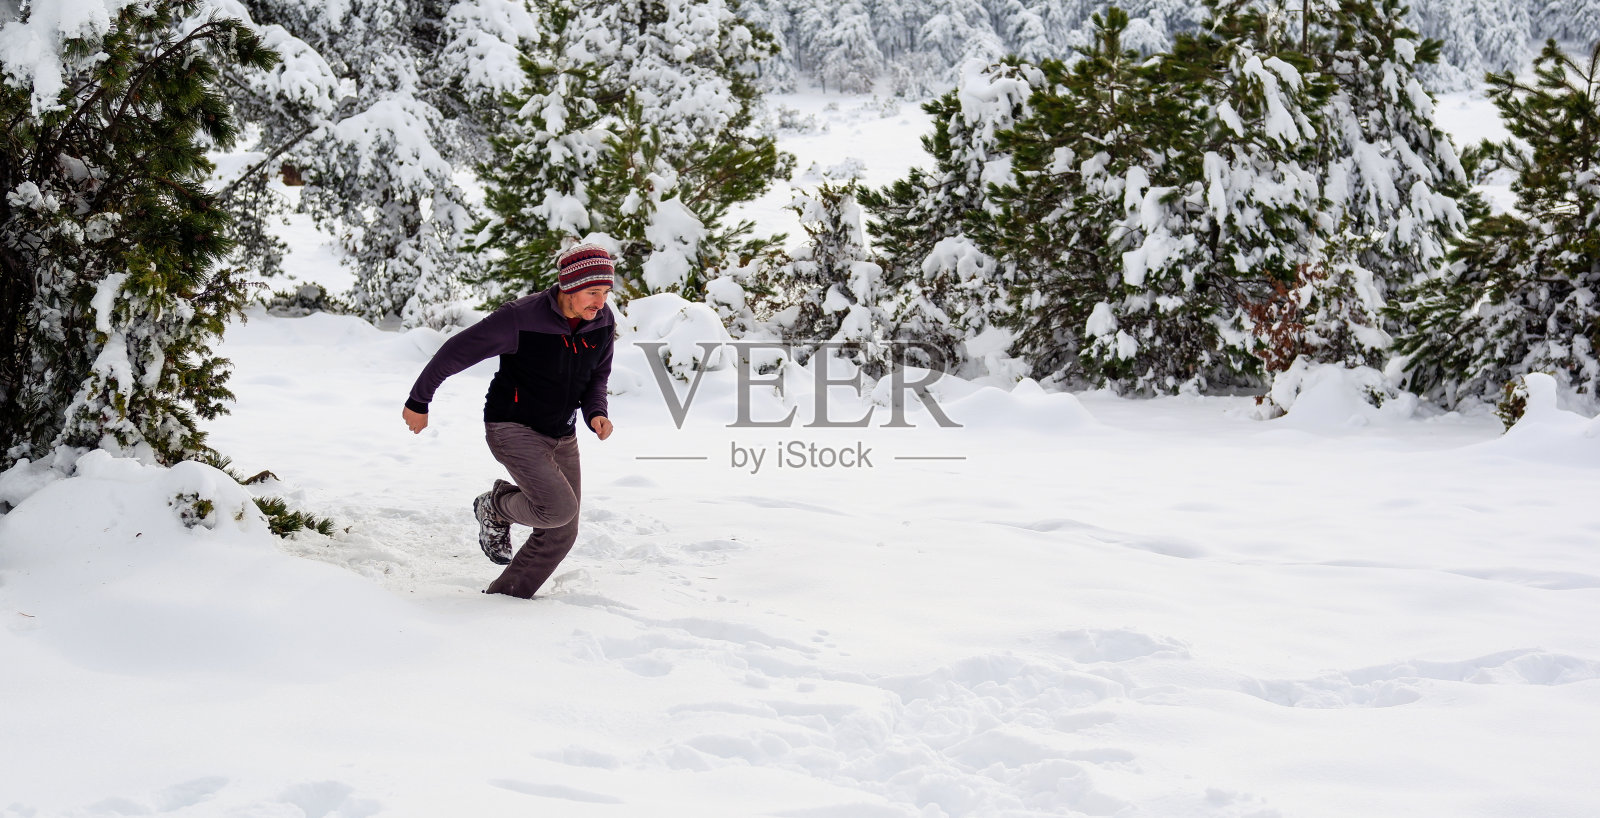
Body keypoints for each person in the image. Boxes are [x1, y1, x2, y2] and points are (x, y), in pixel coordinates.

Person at [401, 243, 617, 598]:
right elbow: (456, 352)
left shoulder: (603, 321)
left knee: (563, 529)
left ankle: (507, 599)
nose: (600, 301)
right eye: (593, 292)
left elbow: (598, 377)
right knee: (558, 509)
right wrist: (419, 400)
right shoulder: (521, 318)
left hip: (561, 432)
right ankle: (494, 506)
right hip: (511, 425)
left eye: (606, 292)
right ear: (568, 286)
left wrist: (597, 412)